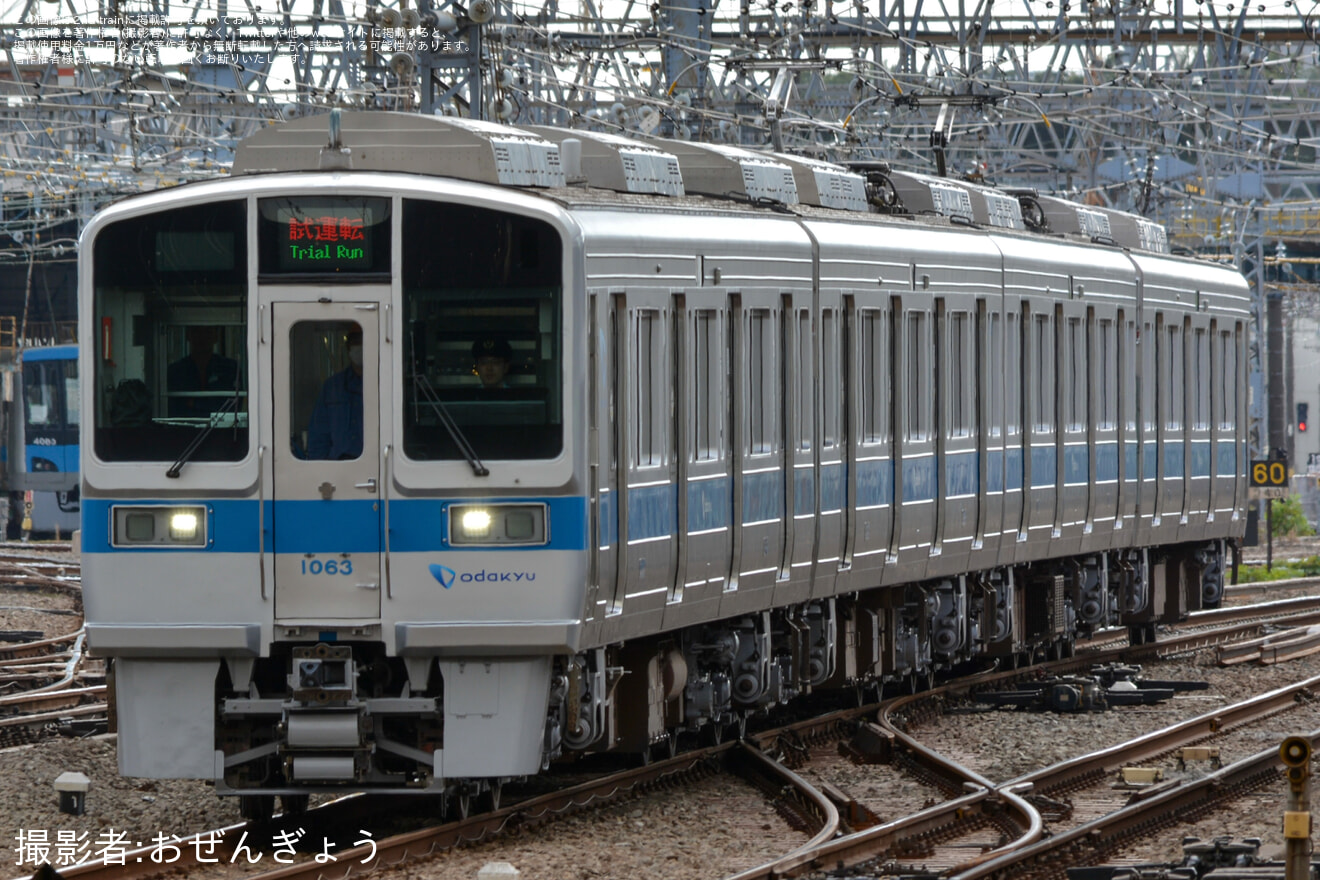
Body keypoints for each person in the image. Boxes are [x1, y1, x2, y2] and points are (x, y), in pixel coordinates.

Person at [306, 329, 364, 460]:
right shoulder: (333, 386)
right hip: (337, 467)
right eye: (355, 343)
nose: (359, 348)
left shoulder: (383, 384)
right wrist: (320, 469)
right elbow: (318, 434)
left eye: (362, 342)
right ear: (348, 348)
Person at [167, 326, 239, 417]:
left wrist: (195, 403)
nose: (202, 337)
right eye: (197, 331)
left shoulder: (230, 368)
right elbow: (174, 408)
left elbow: (231, 406)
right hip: (183, 429)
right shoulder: (175, 371)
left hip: (225, 428)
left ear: (216, 336)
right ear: (188, 335)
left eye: (208, 332)